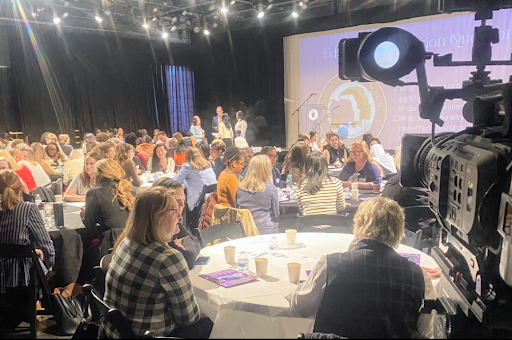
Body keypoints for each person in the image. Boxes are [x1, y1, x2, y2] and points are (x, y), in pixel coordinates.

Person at [287, 197, 434, 338]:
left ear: (358, 225)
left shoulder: (332, 264)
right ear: (400, 231)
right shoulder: (419, 275)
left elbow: (301, 307)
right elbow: (426, 329)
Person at [103, 186, 212, 338]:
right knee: (213, 323)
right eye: (175, 210)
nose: (180, 215)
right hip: (147, 335)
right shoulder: (168, 258)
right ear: (158, 217)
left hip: (115, 332)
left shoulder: (126, 242)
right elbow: (188, 318)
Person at [0, 170, 55, 334]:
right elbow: (46, 245)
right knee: (45, 263)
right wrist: (49, 263)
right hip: (23, 277)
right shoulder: (28, 209)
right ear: (20, 190)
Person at [152, 178, 201, 270]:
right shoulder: (159, 230)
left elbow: (195, 242)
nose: (182, 204)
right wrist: (184, 244)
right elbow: (189, 259)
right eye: (177, 200)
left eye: (183, 199)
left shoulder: (172, 222)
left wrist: (185, 240)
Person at [83, 159, 135, 246]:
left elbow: (89, 226)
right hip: (133, 241)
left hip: (112, 243)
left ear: (99, 175)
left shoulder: (94, 193)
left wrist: (84, 214)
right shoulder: (130, 190)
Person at [236, 155, 279, 234]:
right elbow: (276, 214)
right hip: (265, 230)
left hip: (243, 231)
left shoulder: (240, 187)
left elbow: (237, 209)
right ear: (266, 170)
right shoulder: (271, 188)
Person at [296, 151, 346, 215]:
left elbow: (301, 209)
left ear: (306, 166)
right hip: (331, 223)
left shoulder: (301, 184)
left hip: (308, 223)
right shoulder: (335, 182)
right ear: (325, 165)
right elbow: (341, 207)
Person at [173, 147, 217, 212]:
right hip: (212, 198)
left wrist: (182, 177)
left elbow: (175, 181)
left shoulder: (187, 166)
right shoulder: (208, 164)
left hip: (197, 201)